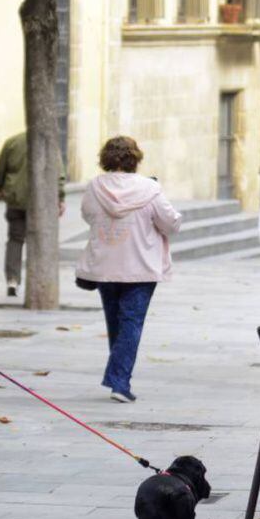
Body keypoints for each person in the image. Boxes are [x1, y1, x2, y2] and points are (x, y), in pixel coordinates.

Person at [76, 136, 181, 403]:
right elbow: (170, 223)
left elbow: (88, 215)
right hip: (141, 266)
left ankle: (118, 378)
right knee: (131, 322)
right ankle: (120, 383)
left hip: (105, 266)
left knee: (116, 323)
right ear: (135, 158)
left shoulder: (94, 186)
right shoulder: (150, 189)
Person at [0, 131, 66, 297]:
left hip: (16, 198)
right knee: (40, 240)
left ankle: (12, 279)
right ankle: (40, 281)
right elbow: (59, 174)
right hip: (42, 201)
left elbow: (0, 168)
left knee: (15, 240)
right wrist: (60, 197)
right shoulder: (49, 144)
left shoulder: (12, 141)